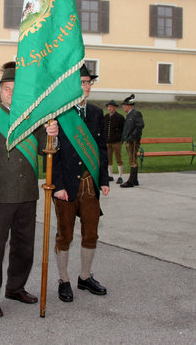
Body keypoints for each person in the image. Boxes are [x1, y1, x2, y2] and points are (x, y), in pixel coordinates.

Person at [0, 62, 58, 318]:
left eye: (15, 89)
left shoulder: (34, 118)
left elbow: (47, 150)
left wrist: (52, 134)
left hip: (27, 194)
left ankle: (15, 287)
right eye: (7, 88)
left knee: (24, 246)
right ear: (0, 91)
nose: (11, 92)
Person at [52, 65, 110, 302]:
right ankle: (64, 279)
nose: (86, 87)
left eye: (88, 82)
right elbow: (52, 153)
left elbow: (101, 149)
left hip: (90, 185)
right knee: (64, 235)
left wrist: (104, 179)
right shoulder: (59, 113)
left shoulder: (96, 113)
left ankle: (84, 277)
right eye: (82, 82)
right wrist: (58, 185)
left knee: (91, 234)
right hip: (66, 185)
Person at [120, 94, 144, 188]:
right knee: (133, 158)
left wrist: (132, 137)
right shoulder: (130, 115)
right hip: (129, 140)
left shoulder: (135, 114)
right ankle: (135, 180)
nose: (123, 107)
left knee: (132, 160)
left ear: (129, 106)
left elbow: (140, 125)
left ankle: (130, 181)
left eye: (124, 105)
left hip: (133, 141)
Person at [104, 100, 125, 184]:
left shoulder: (120, 117)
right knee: (109, 159)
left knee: (118, 158)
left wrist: (121, 138)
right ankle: (110, 175)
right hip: (108, 141)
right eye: (109, 107)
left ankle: (120, 176)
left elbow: (123, 129)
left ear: (115, 108)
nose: (110, 108)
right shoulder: (106, 117)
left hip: (117, 141)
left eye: (112, 107)